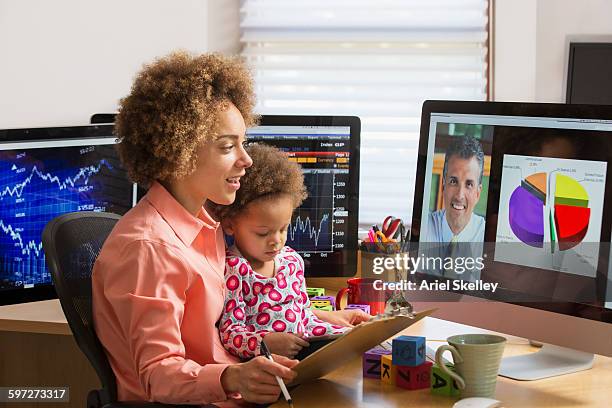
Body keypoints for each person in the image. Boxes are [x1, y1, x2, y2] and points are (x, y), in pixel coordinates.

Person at [92, 51, 298, 406]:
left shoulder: (207, 226)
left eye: (243, 143)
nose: (246, 159)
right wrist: (234, 376)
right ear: (178, 152)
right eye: (227, 146)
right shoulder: (150, 248)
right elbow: (158, 372)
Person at [211, 144, 369, 361]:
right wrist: (264, 343)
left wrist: (332, 318)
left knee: (361, 340)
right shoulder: (234, 270)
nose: (276, 241)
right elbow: (230, 332)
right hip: (268, 359)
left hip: (307, 340)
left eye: (283, 229)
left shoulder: (291, 260)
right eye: (262, 233)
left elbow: (302, 310)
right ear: (230, 225)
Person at [425, 135, 486, 243]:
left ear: (477, 193)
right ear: (443, 186)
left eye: (469, 184)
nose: (459, 195)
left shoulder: (488, 238)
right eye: (453, 181)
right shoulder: (424, 227)